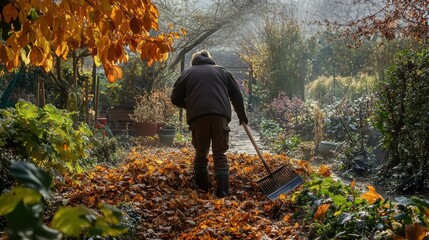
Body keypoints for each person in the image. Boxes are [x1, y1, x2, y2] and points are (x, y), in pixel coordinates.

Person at [171, 50, 248, 198]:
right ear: (210, 60)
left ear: (194, 61)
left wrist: (191, 105)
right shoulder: (222, 71)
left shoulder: (187, 73)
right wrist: (242, 116)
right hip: (220, 116)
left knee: (201, 155)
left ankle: (203, 190)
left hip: (198, 118)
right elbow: (237, 96)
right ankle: (223, 192)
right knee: (220, 154)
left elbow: (175, 98)